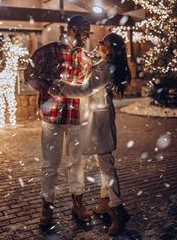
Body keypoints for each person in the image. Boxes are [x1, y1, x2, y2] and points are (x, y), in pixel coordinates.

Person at [49, 32, 131, 236]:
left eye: (103, 42)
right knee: (103, 162)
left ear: (110, 48)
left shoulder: (105, 67)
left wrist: (60, 86)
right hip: (97, 119)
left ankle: (118, 210)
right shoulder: (105, 63)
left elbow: (85, 90)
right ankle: (106, 201)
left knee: (106, 165)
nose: (99, 44)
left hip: (98, 121)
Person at [24, 15, 93, 226]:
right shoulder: (46, 51)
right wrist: (47, 86)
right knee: (50, 165)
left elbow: (89, 86)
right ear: (73, 29)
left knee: (77, 164)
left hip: (76, 118)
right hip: (52, 118)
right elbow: (28, 75)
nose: (86, 37)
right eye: (84, 32)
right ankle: (47, 206)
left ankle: (78, 203)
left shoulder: (85, 57)